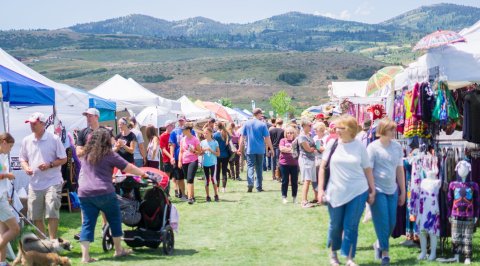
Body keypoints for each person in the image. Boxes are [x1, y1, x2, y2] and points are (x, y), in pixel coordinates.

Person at [78, 128, 147, 263]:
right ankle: (118, 250)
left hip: (85, 193)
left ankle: (85, 257)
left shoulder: (85, 154)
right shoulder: (109, 154)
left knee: (87, 223)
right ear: (106, 140)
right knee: (114, 219)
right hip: (104, 192)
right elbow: (129, 168)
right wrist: (143, 174)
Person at [318, 115, 375, 266]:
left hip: (358, 191)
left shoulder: (360, 147)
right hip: (335, 192)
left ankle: (349, 258)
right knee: (336, 225)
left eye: (340, 128)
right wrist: (320, 190)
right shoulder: (332, 144)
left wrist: (372, 190)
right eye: (336, 128)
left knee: (351, 225)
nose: (337, 130)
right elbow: (323, 168)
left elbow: (367, 170)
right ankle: (334, 255)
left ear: (350, 130)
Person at [20, 112, 67, 240]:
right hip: (34, 184)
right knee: (36, 216)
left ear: (43, 123)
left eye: (34, 123)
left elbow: (63, 159)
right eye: (30, 123)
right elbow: (22, 159)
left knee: (52, 211)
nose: (31, 125)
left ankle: (52, 242)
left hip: (53, 181)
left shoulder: (54, 138)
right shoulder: (26, 140)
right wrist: (26, 167)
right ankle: (43, 242)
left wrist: (50, 164)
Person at [367, 118, 406, 266]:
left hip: (392, 189)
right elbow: (368, 170)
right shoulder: (372, 148)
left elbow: (399, 169)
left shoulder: (396, 147)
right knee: (382, 222)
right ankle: (385, 254)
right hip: (378, 189)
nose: (394, 133)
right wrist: (371, 190)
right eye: (391, 130)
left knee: (392, 222)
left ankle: (378, 243)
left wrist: (402, 191)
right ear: (382, 131)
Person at [238, 108, 274, 192]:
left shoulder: (247, 123)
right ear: (259, 114)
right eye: (261, 114)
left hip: (250, 149)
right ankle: (259, 187)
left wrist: (240, 148)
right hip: (260, 149)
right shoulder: (262, 124)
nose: (262, 115)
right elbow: (267, 138)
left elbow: (242, 137)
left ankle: (250, 183)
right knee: (259, 168)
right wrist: (271, 148)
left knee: (250, 166)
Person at [0, 133, 20, 266]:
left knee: (3, 231)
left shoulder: (1, 157)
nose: (10, 149)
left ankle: (1, 262)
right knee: (15, 229)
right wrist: (8, 175)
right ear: (3, 142)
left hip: (2, 197)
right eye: (10, 146)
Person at [169, 116, 195, 200]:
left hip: (189, 157)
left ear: (185, 121)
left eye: (182, 120)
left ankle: (190, 194)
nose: (181, 122)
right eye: (179, 121)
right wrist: (171, 157)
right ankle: (183, 194)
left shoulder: (191, 131)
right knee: (179, 177)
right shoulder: (174, 132)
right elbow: (172, 145)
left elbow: (195, 142)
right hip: (178, 157)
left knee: (189, 177)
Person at [178, 122, 201, 204]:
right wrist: (179, 161)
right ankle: (192, 196)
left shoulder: (195, 139)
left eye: (183, 130)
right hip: (184, 161)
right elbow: (181, 151)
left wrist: (194, 151)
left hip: (193, 161)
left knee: (190, 179)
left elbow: (200, 151)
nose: (182, 131)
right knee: (188, 179)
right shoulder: (182, 140)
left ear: (188, 130)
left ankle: (190, 197)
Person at [298, 120, 317, 208]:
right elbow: (308, 149)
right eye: (309, 125)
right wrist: (314, 148)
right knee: (307, 180)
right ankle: (304, 201)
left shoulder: (307, 135)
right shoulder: (302, 137)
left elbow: (312, 148)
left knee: (309, 180)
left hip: (310, 159)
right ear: (304, 126)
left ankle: (306, 200)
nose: (311, 127)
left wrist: (313, 148)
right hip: (306, 160)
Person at [278, 126, 299, 204]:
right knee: (285, 181)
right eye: (288, 133)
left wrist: (287, 150)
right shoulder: (282, 140)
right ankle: (284, 196)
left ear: (294, 134)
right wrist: (292, 150)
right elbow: (281, 149)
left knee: (294, 181)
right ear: (285, 134)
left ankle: (294, 197)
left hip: (294, 164)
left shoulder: (296, 141)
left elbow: (297, 151)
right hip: (284, 163)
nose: (289, 134)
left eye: (291, 133)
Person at [201, 128, 220, 202]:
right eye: (204, 133)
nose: (205, 134)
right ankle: (207, 196)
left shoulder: (215, 142)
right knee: (206, 180)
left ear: (211, 133)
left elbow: (218, 154)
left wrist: (211, 150)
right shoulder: (202, 142)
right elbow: (200, 153)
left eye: (206, 133)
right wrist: (203, 150)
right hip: (205, 163)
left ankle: (216, 195)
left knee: (213, 178)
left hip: (213, 163)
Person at [160, 120, 177, 197]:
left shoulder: (174, 134)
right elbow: (163, 149)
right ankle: (166, 193)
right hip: (167, 159)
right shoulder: (163, 136)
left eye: (173, 125)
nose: (173, 126)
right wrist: (171, 157)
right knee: (167, 176)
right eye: (171, 125)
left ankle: (177, 191)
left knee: (175, 175)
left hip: (175, 158)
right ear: (167, 126)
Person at [213, 122, 231, 192]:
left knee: (217, 172)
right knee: (224, 171)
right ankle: (224, 188)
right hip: (225, 155)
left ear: (217, 127)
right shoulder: (226, 134)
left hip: (217, 155)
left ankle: (217, 187)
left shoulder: (215, 135)